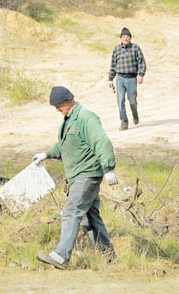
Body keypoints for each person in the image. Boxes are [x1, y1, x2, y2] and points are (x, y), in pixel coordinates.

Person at [32, 86, 117, 270]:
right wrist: (46, 154)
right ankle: (108, 256)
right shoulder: (69, 119)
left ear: (68, 100)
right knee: (90, 217)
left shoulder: (86, 117)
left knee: (71, 212)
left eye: (58, 106)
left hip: (87, 175)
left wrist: (109, 168)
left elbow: (101, 142)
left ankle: (61, 256)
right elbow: (64, 145)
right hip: (78, 175)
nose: (57, 109)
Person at [107, 27, 146, 131]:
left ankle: (135, 115)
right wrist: (110, 79)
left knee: (132, 101)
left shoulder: (135, 48)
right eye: (124, 37)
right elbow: (113, 64)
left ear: (130, 38)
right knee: (120, 101)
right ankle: (124, 122)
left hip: (132, 79)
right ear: (121, 38)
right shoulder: (116, 49)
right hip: (120, 78)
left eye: (127, 37)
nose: (125, 39)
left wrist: (141, 75)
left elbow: (142, 62)